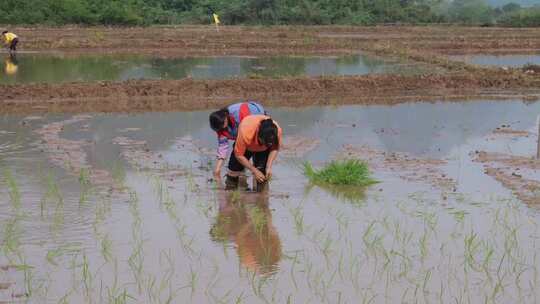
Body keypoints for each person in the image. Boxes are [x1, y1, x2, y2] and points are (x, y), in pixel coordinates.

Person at [209, 101, 265, 178]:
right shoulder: (220, 127)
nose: (222, 129)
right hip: (243, 134)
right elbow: (223, 147)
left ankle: (258, 181)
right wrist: (217, 169)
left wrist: (253, 169)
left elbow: (251, 134)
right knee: (235, 167)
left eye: (223, 126)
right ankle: (242, 178)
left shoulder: (240, 113)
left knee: (259, 165)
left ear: (225, 118)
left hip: (256, 124)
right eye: (219, 128)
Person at [226, 115, 282, 191]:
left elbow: (274, 148)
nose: (267, 145)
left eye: (269, 144)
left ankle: (262, 199)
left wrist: (268, 167)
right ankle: (231, 193)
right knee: (234, 171)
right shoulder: (246, 131)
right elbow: (239, 155)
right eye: (265, 143)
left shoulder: (276, 131)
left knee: (262, 173)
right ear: (259, 136)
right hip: (247, 145)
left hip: (263, 148)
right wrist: (254, 170)